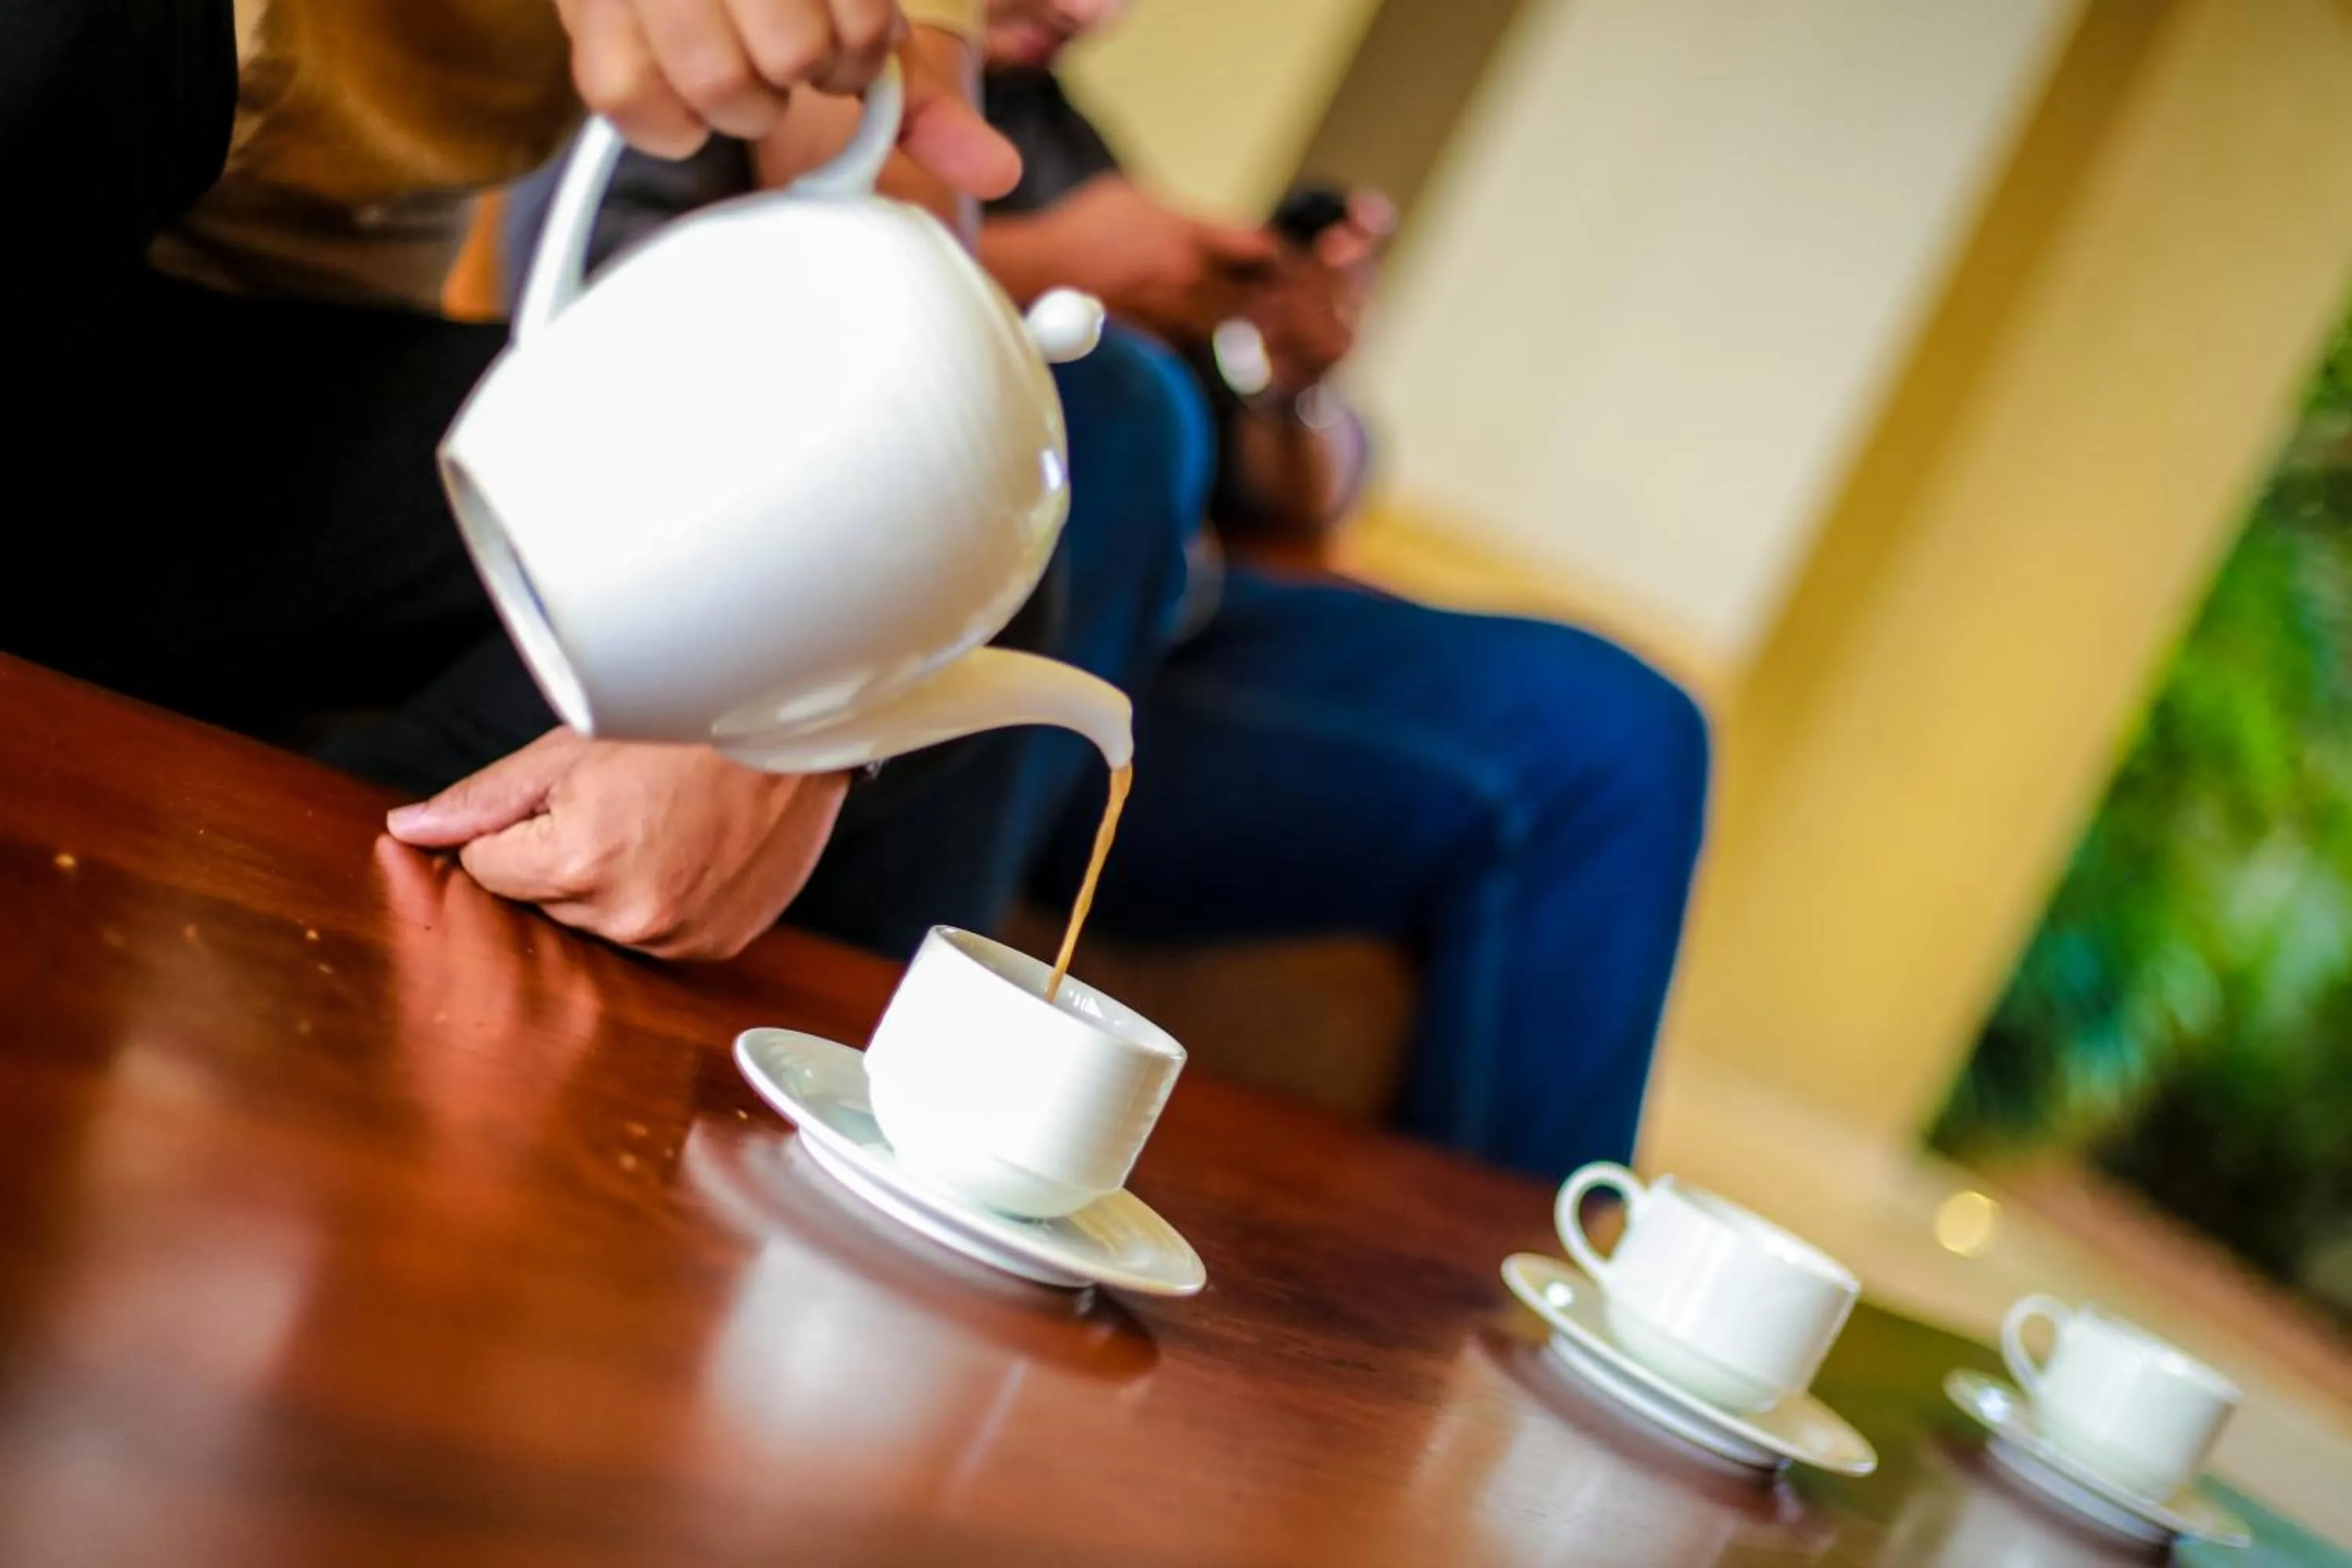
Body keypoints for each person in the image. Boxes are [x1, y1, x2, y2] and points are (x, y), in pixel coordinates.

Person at [503, 0, 1710, 1178]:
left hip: (1150, 640)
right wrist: (1052, 276)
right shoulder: (760, 38)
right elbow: (660, 322)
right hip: (934, 602)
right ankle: (873, 1116)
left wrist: (1287, 370)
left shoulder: (1060, 136)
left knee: (1617, 732)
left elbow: (1301, 504)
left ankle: (1497, 1320)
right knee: (1117, 412)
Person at [0, 0, 1095, 964]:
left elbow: (890, 322)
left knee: (949, 583)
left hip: (220, 446)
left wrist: (800, 686)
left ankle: (322, 919)